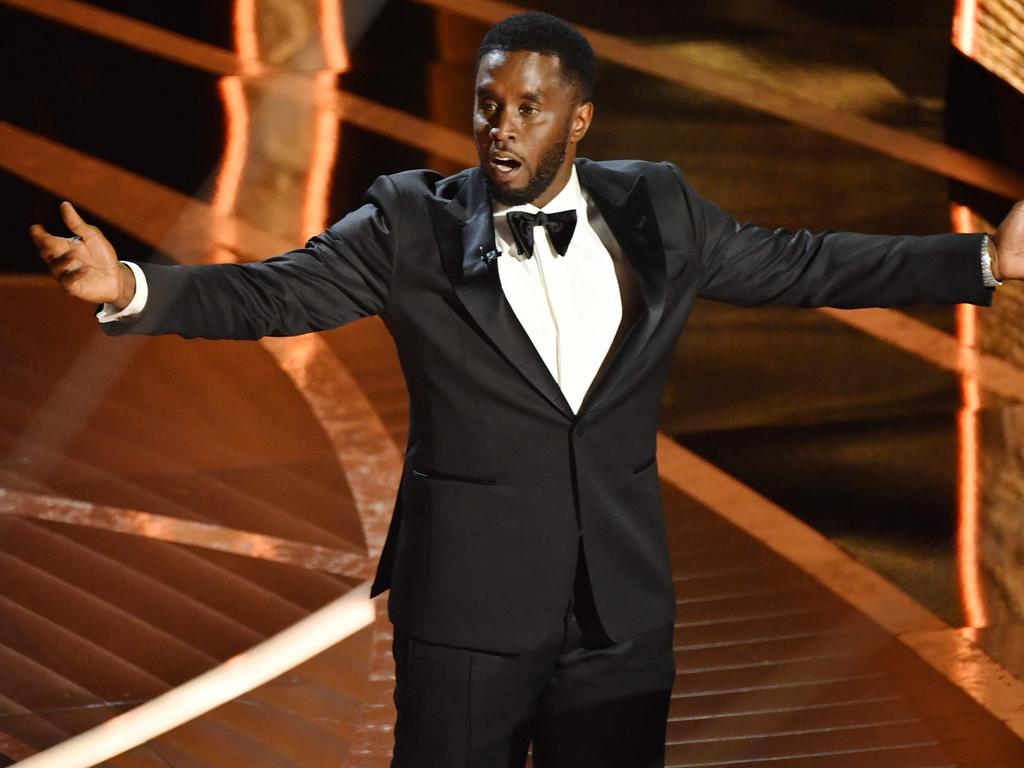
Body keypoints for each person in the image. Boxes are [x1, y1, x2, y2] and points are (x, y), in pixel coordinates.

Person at [29, 11, 1024, 768]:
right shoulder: (407, 225)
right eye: (486, 106)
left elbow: (804, 265)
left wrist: (981, 258)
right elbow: (269, 294)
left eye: (529, 109)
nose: (499, 130)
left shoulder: (659, 210)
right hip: (466, 616)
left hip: (620, 617)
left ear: (580, 118)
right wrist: (131, 287)